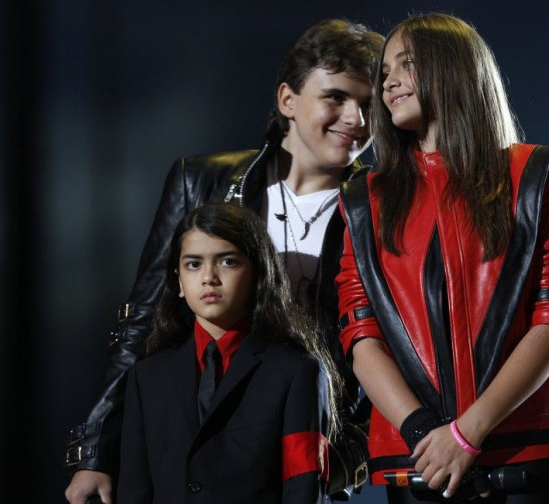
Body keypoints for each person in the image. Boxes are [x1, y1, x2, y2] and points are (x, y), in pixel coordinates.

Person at [65, 19, 383, 504]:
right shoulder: (202, 180)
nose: (356, 119)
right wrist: (96, 454)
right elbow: (144, 321)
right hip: (192, 434)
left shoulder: (382, 211)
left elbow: (398, 351)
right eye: (336, 97)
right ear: (287, 100)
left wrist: (345, 460)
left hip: (300, 451)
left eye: (369, 105)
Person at [336, 13, 549, 504]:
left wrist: (465, 434)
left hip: (523, 456)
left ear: (454, 68)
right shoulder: (362, 199)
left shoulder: (542, 173)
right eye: (385, 71)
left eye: (407, 64)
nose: (388, 81)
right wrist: (425, 436)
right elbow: (360, 330)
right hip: (419, 462)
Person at [118, 202, 334, 503]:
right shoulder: (148, 376)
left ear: (258, 273)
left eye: (228, 262)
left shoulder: (296, 371)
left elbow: (304, 488)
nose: (209, 277)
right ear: (178, 281)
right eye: (193, 264)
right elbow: (134, 489)